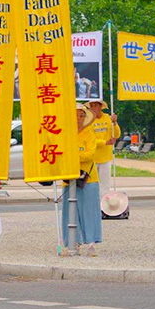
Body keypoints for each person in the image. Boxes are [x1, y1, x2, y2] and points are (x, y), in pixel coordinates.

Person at [62, 104, 101, 255]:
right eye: (76, 115)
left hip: (87, 179)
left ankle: (91, 243)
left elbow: (90, 154)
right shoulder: (66, 134)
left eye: (81, 116)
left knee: (89, 211)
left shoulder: (89, 133)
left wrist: (72, 156)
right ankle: (72, 241)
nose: (78, 119)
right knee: (69, 211)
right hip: (68, 177)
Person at [86, 99, 120, 193]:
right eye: (91, 106)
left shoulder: (107, 118)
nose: (93, 108)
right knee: (92, 184)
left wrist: (115, 123)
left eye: (95, 105)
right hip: (93, 157)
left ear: (100, 106)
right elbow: (91, 140)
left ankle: (103, 206)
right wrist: (105, 142)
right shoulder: (89, 121)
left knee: (105, 185)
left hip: (106, 157)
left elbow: (116, 134)